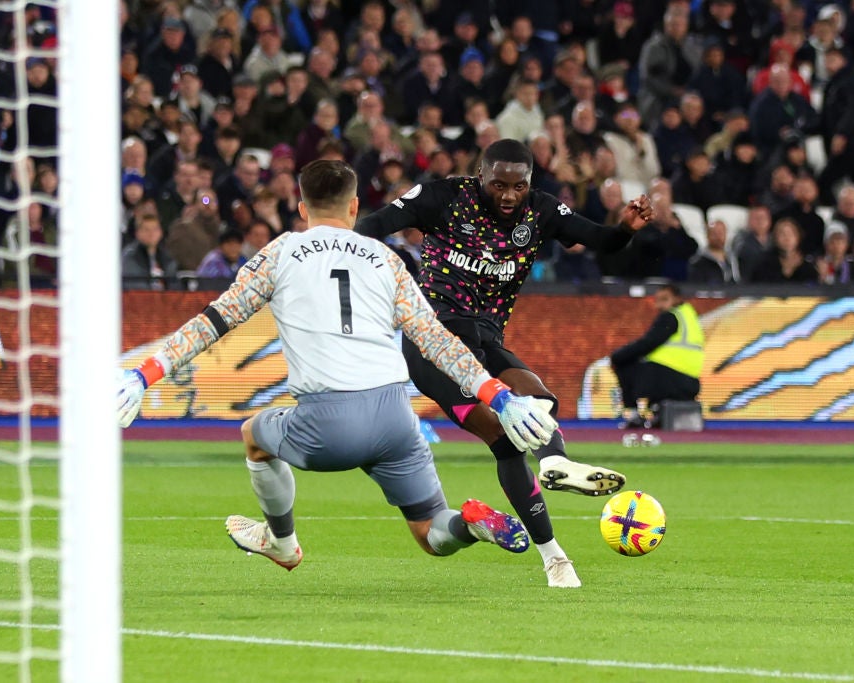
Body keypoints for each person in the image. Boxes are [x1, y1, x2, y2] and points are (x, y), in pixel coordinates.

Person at [117, 160, 559, 576]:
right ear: (354, 207)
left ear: (302, 207)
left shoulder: (281, 253)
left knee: (254, 437)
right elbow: (438, 341)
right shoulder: (386, 259)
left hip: (327, 424)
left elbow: (214, 321)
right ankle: (470, 524)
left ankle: (284, 544)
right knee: (431, 531)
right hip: (394, 418)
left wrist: (144, 374)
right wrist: (498, 396)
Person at [356, 139, 654, 585]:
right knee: (508, 435)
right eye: (499, 184)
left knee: (537, 404)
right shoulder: (442, 197)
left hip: (485, 336)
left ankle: (555, 487)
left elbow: (601, 240)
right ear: (481, 176)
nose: (509, 195)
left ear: (530, 182)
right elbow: (374, 224)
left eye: (519, 185)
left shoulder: (543, 210)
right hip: (434, 342)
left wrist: (626, 227)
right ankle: (553, 546)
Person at [610, 283, 704, 429]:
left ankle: (635, 415)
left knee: (624, 363)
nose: (659, 305)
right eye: (657, 300)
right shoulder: (689, 314)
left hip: (671, 378)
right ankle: (656, 411)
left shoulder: (670, 317)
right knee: (645, 366)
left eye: (664, 299)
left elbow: (647, 343)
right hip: (690, 381)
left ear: (677, 299)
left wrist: (616, 356)